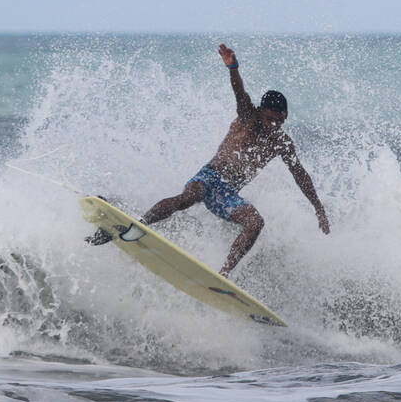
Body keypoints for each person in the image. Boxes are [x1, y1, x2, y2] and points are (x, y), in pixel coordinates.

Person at [90, 44, 330, 277]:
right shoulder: (247, 117)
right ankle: (140, 224)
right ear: (259, 111)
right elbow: (239, 92)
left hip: (226, 194)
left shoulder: (282, 142)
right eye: (268, 119)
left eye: (279, 120)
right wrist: (233, 67)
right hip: (210, 175)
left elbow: (300, 174)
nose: (272, 125)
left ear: (285, 117)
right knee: (189, 197)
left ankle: (223, 275)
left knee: (255, 222)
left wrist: (318, 208)